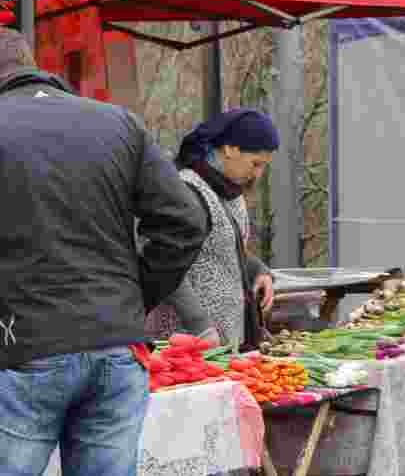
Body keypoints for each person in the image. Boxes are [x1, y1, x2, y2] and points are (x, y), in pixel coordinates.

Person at [0, 28, 209, 476]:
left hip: (23, 346)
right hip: (115, 343)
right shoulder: (119, 123)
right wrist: (134, 296)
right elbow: (186, 223)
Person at [146, 109, 278, 350]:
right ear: (229, 149)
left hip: (225, 340)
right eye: (255, 163)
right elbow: (166, 267)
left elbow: (224, 248)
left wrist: (259, 271)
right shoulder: (185, 191)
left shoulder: (230, 192)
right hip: (189, 342)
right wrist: (201, 326)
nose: (257, 173)